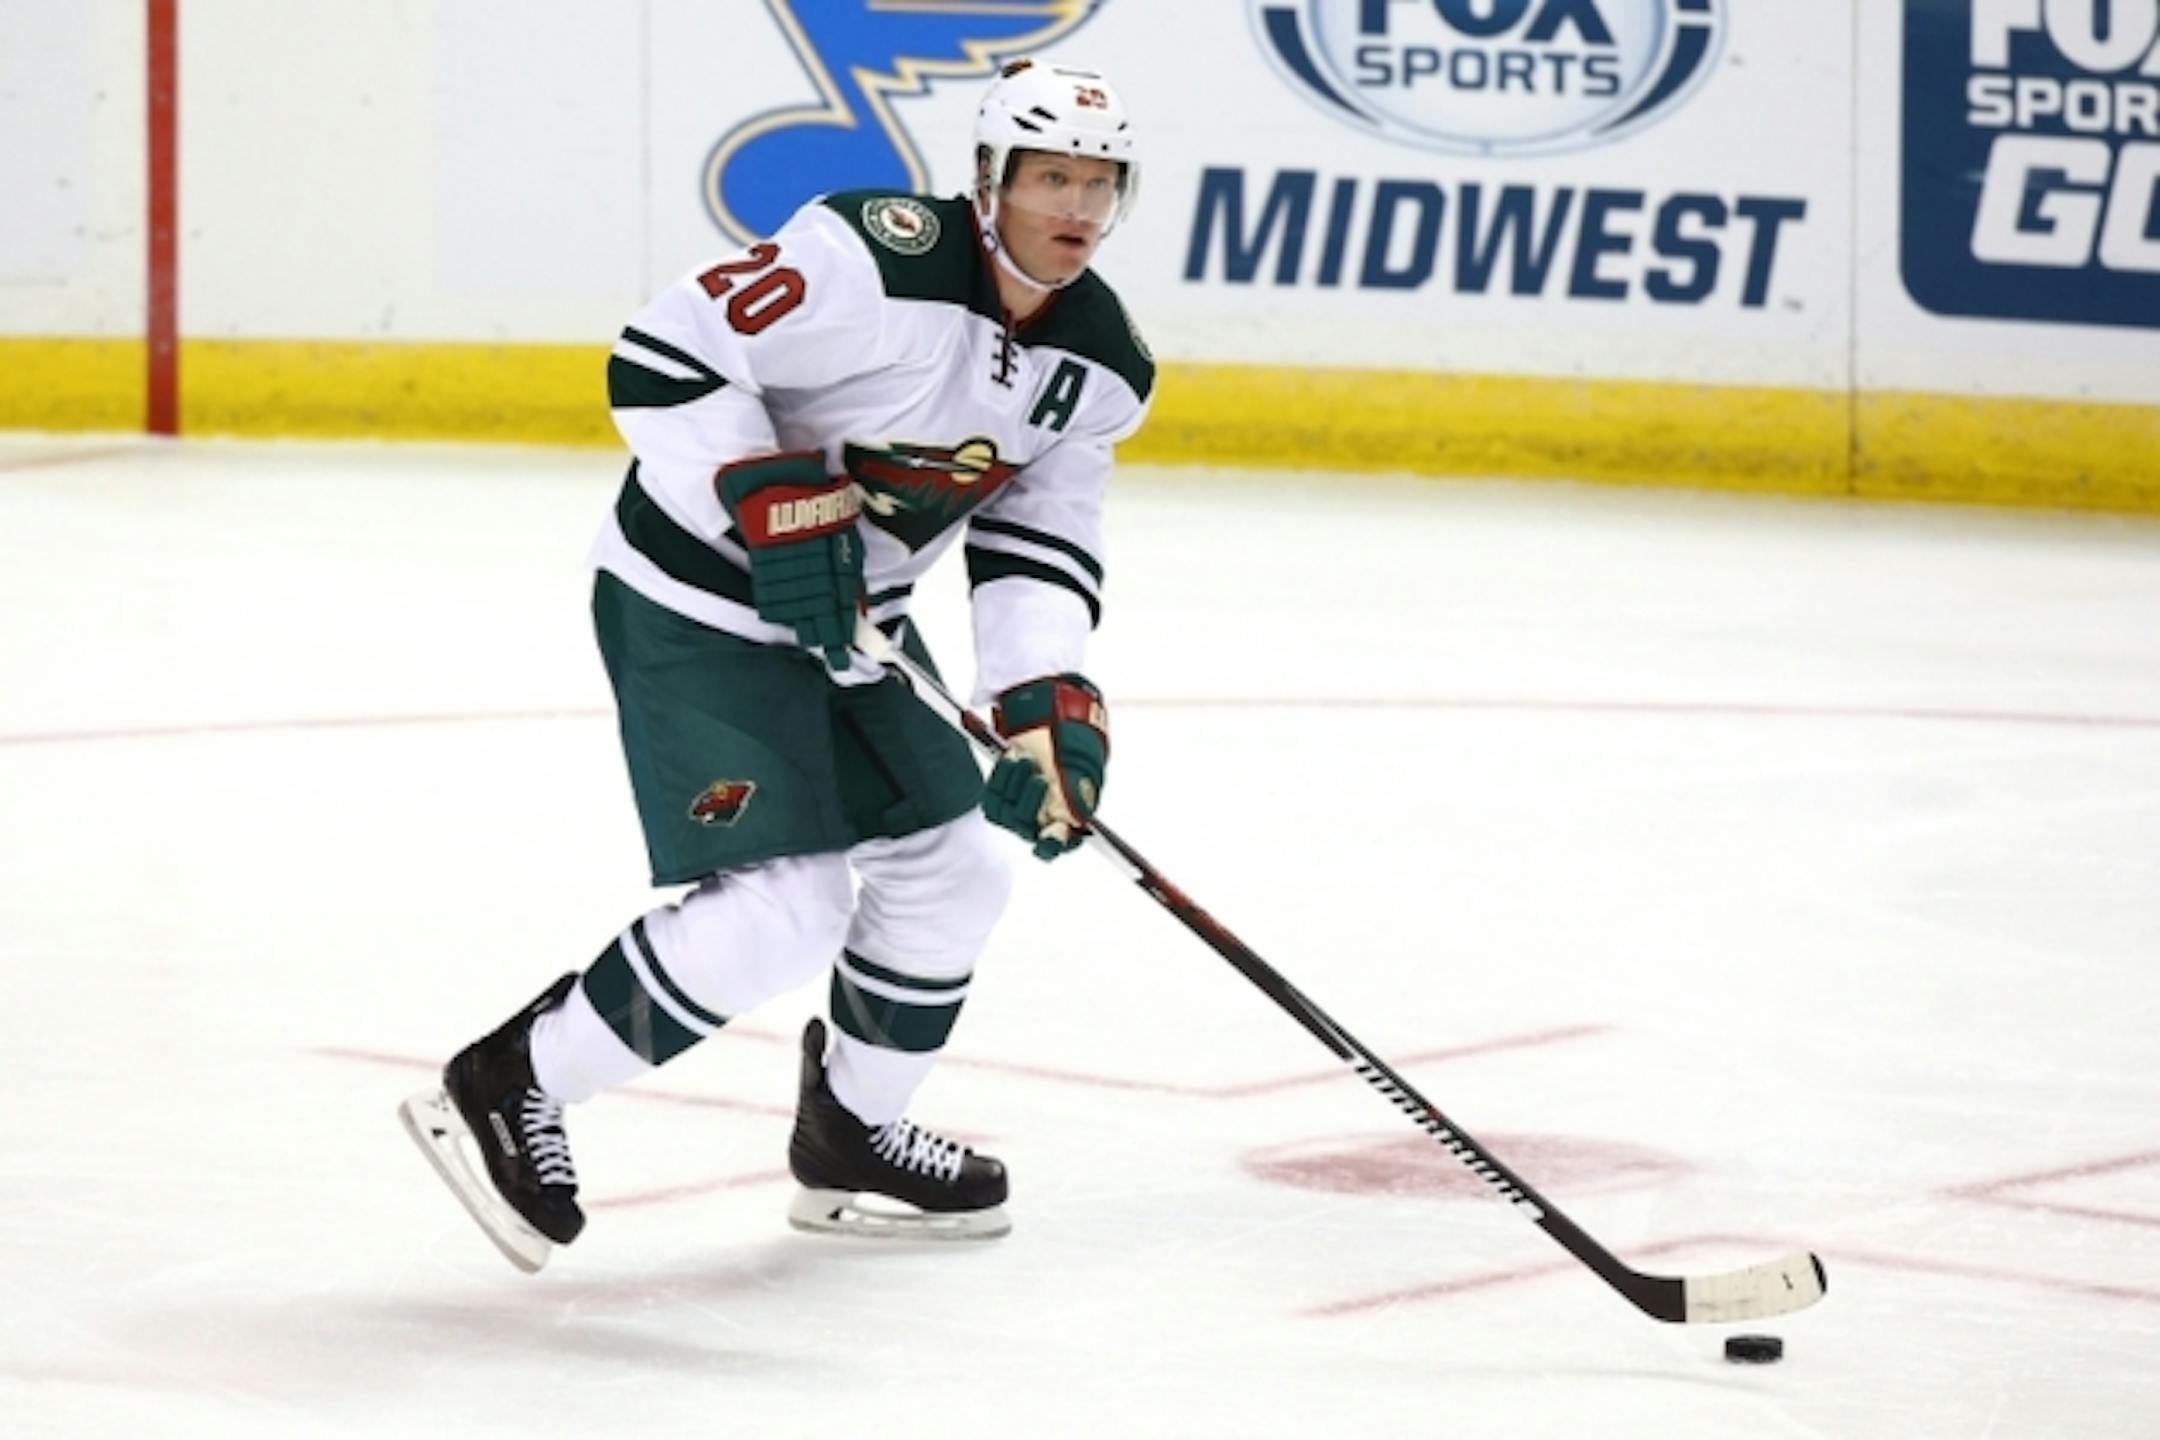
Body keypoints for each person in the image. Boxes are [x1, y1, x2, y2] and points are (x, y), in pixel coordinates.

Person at [400, 57, 1152, 1271]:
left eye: (1101, 183)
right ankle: (510, 1082)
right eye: (1050, 176)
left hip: (857, 629)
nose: (1075, 207)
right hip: (695, 603)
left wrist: (1042, 703)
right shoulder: (873, 257)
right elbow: (661, 356)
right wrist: (765, 499)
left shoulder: (1102, 367)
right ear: (988, 179)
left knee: (956, 868)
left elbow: (1037, 534)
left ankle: (854, 1130)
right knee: (786, 908)